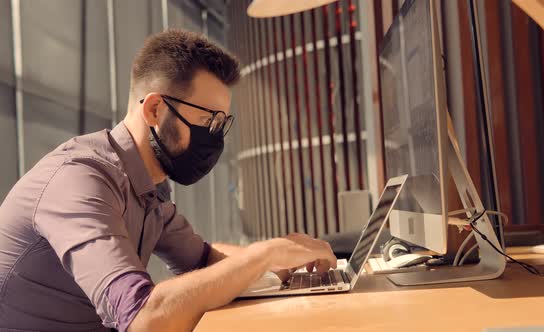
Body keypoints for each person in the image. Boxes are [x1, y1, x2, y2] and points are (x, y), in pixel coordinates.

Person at [0, 29, 337, 332]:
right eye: (207, 120)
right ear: (155, 111)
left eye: (221, 124)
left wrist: (286, 259)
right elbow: (143, 320)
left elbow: (204, 259)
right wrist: (261, 257)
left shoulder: (149, 188)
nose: (215, 137)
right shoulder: (80, 179)